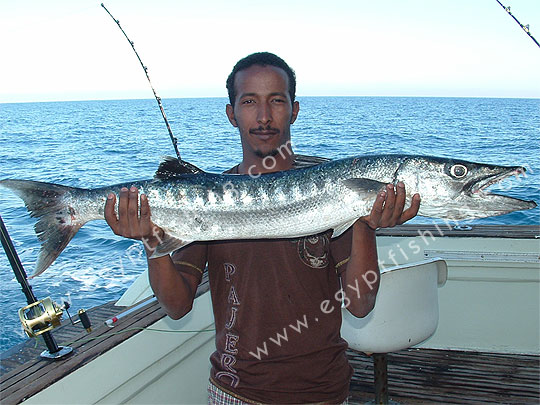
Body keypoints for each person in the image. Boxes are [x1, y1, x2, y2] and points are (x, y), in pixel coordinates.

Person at [104, 52, 420, 404]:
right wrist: (151, 237)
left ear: (295, 110)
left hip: (323, 392)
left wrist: (365, 223)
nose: (264, 116)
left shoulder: (338, 193)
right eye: (250, 101)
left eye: (277, 101)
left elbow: (360, 305)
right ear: (232, 114)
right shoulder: (204, 200)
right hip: (235, 392)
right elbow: (177, 306)